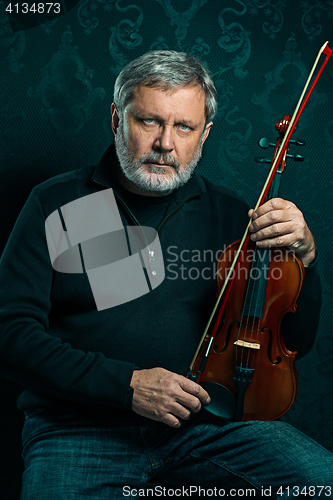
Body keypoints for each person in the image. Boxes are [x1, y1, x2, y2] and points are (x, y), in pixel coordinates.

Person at [0, 50, 332, 499]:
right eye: (149, 122)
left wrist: (305, 262)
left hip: (205, 430)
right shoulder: (59, 203)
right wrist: (127, 385)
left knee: (321, 481)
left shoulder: (237, 218)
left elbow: (295, 340)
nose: (165, 143)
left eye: (184, 127)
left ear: (205, 134)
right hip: (77, 429)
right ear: (118, 120)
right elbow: (11, 335)